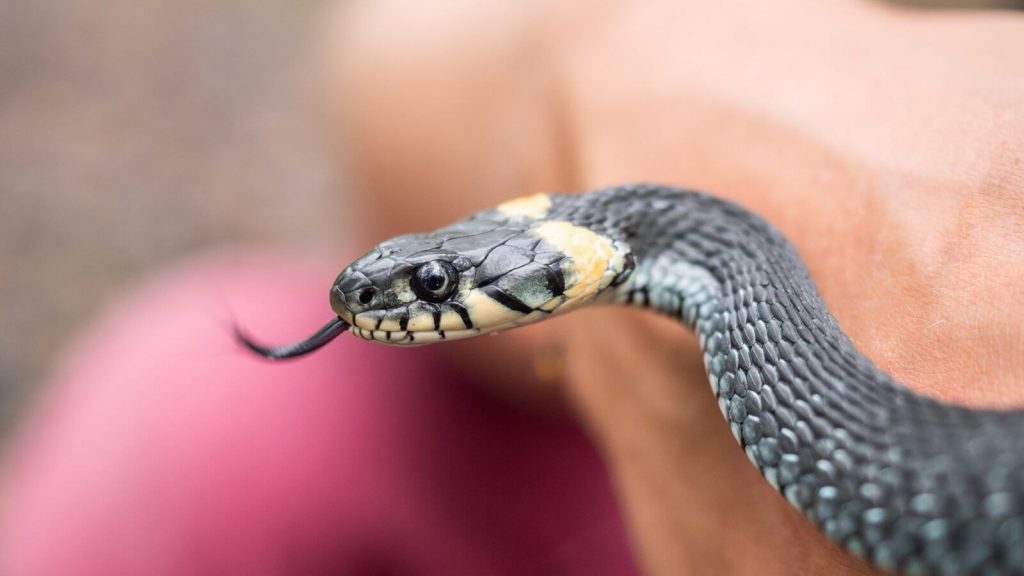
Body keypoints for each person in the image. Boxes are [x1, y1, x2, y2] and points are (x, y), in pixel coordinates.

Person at [3, 0, 1022, 574]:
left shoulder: (724, 277)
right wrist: (611, 72)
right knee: (200, 403)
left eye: (433, 287)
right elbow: (392, 58)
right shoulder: (675, 240)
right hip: (567, 459)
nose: (394, 307)